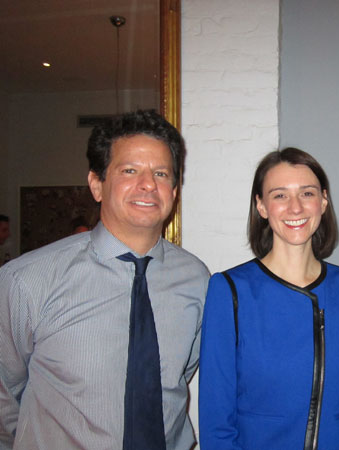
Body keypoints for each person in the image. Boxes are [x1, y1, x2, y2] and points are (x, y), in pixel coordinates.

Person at [0, 110, 210, 449]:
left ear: (174, 189)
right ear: (97, 184)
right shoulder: (27, 280)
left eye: (161, 173)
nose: (148, 184)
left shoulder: (196, 280)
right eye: (129, 170)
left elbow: (176, 379)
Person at [198, 147, 339, 449]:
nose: (295, 208)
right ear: (261, 206)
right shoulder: (230, 290)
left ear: (323, 201)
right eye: (280, 195)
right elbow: (217, 422)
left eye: (307, 193)